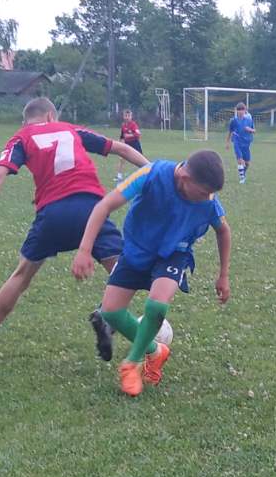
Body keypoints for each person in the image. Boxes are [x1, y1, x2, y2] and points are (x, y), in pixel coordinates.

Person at [0, 97, 147, 361]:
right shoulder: (71, 129)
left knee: (21, 276)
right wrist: (154, 172)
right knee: (126, 271)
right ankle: (105, 314)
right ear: (51, 116)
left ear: (26, 121)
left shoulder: (21, 137)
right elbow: (122, 149)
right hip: (91, 210)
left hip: (52, 214)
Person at [71, 150, 230, 397]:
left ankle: (131, 364)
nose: (207, 198)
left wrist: (223, 275)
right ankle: (155, 351)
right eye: (202, 193)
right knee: (110, 312)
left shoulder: (208, 201)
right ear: (185, 177)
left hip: (174, 253)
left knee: (157, 305)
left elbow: (223, 231)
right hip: (136, 250)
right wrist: (84, 249)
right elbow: (104, 206)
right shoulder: (151, 175)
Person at [226, 102, 254, 183]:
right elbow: (230, 132)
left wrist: (249, 129)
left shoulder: (249, 120)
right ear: (236, 111)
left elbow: (254, 130)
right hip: (237, 141)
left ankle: (243, 173)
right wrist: (227, 142)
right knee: (240, 160)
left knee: (247, 163)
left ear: (245, 110)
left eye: (242, 110)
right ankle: (242, 178)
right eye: (239, 110)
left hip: (246, 143)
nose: (240, 111)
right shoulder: (233, 121)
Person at [114, 108, 143, 183]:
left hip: (135, 144)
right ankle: (119, 176)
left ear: (131, 116)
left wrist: (129, 135)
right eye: (125, 116)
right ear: (123, 116)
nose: (127, 117)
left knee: (140, 159)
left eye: (128, 116)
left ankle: (143, 174)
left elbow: (138, 134)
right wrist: (119, 143)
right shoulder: (123, 125)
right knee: (122, 159)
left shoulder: (133, 125)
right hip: (127, 144)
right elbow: (122, 136)